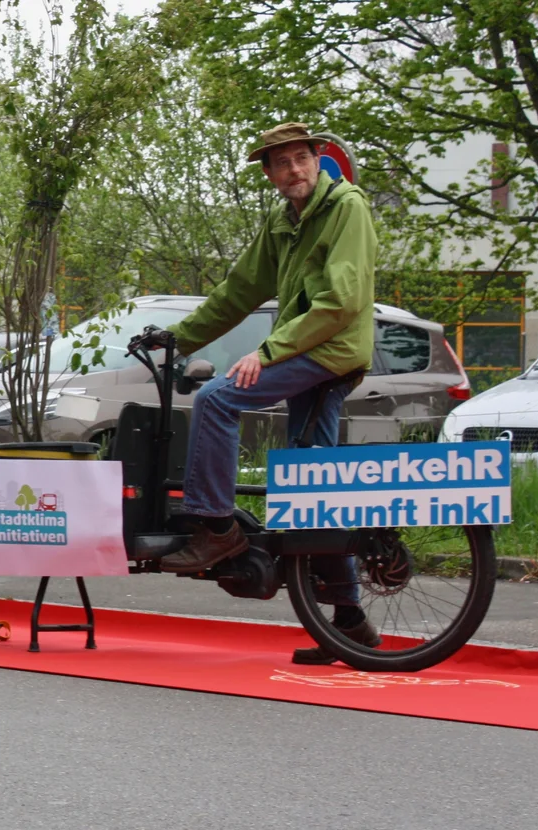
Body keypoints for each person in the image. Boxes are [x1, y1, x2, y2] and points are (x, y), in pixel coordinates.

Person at [154, 122, 378, 666]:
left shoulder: (346, 207)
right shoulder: (283, 222)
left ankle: (216, 526)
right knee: (312, 485)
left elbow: (339, 301)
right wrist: (176, 339)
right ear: (270, 174)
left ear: (317, 160)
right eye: (282, 164)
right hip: (311, 352)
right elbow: (239, 290)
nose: (294, 170)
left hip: (332, 348)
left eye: (302, 158)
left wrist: (270, 352)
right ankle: (349, 621)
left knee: (217, 399)